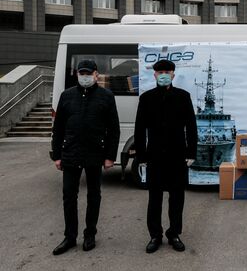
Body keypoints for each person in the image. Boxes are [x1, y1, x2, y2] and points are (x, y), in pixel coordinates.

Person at [51, 59, 120, 255]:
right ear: (77, 75)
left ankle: (90, 234)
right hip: (71, 153)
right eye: (82, 73)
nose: (85, 77)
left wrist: (110, 156)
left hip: (94, 154)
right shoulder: (66, 96)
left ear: (96, 75)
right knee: (68, 196)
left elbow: (113, 130)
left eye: (88, 73)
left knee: (93, 195)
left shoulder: (106, 96)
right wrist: (57, 155)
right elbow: (59, 129)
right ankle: (69, 237)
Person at [134, 59, 198, 254]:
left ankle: (174, 233)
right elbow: (139, 129)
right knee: (154, 198)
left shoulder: (183, 96)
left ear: (173, 74)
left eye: (167, 71)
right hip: (154, 156)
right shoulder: (146, 98)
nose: (163, 74)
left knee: (177, 198)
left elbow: (191, 127)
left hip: (177, 156)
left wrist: (191, 152)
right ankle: (155, 235)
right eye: (160, 71)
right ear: (154, 75)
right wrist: (141, 155)